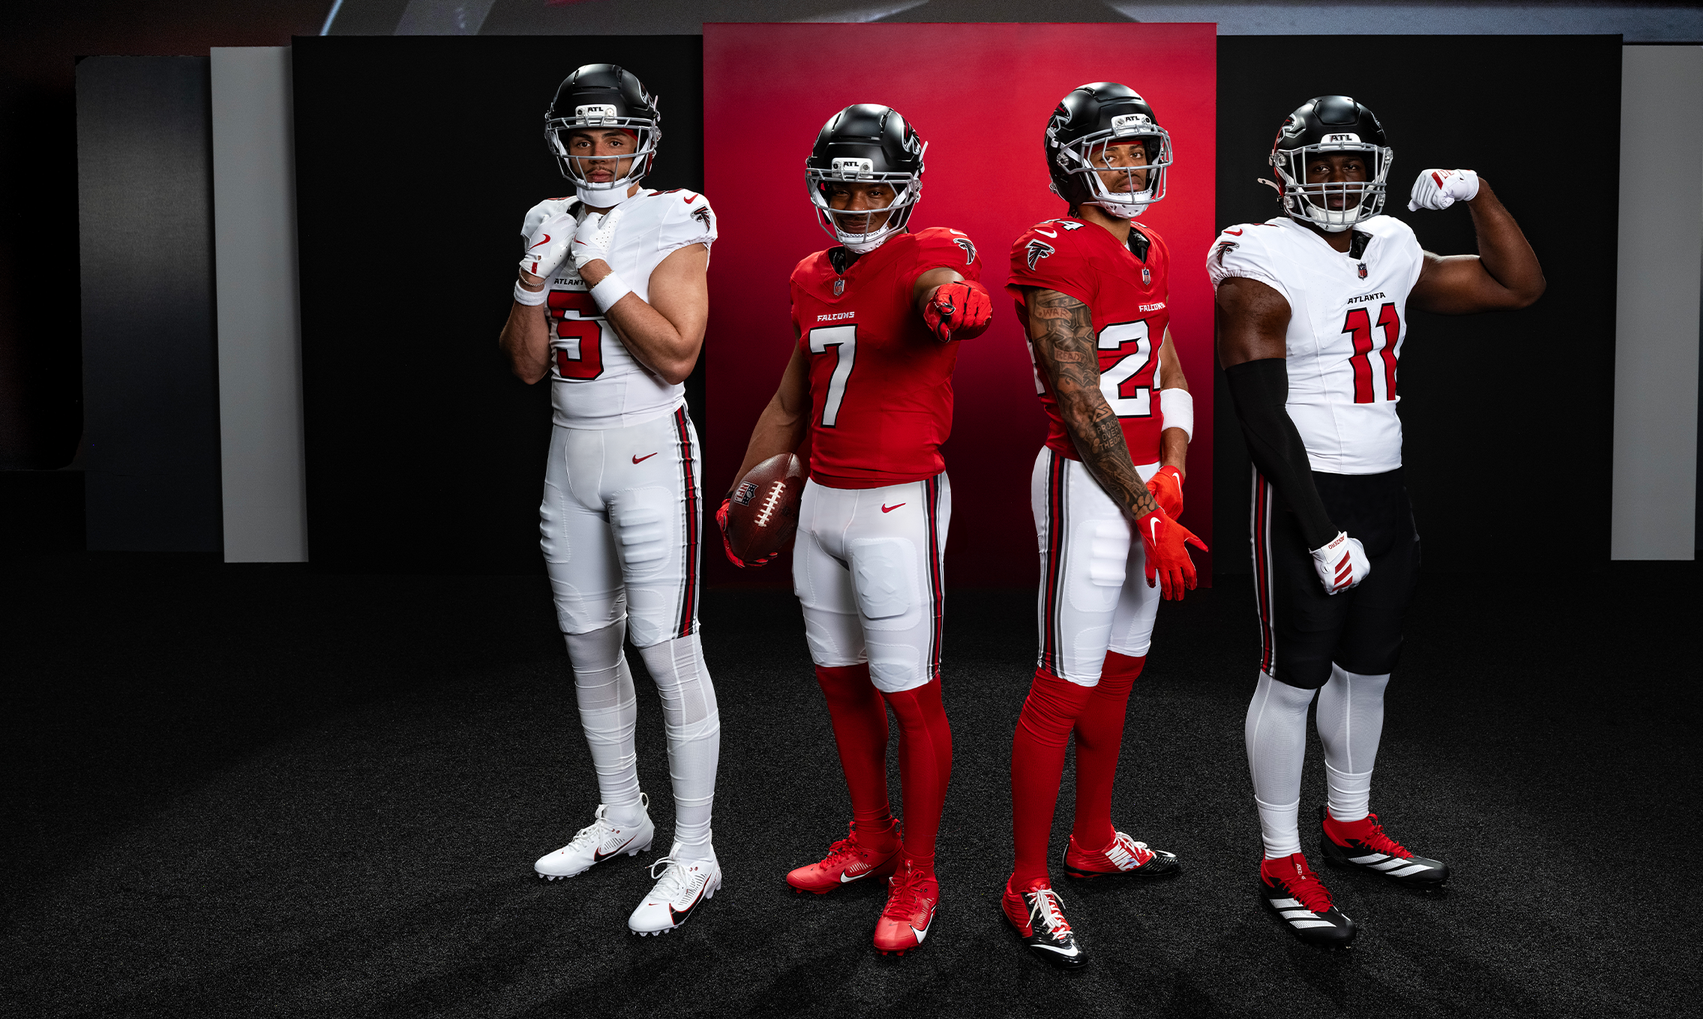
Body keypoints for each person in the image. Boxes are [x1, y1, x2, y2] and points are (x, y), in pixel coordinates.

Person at [1210, 95, 1545, 948]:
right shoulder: (1259, 260)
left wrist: (1479, 191)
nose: (1336, 181)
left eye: (1351, 166)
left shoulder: (1394, 245)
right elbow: (1261, 418)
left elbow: (1518, 285)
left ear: (1378, 173)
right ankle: (1280, 856)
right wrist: (1320, 533)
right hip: (1306, 491)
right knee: (1292, 680)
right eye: (1319, 165)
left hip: (1384, 488)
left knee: (1369, 672)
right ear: (1284, 170)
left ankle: (1348, 824)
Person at [724, 104, 990, 955]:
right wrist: (740, 495)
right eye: (843, 183)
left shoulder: (930, 251)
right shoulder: (810, 274)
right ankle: (871, 837)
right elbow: (788, 401)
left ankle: (919, 868)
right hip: (822, 506)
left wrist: (957, 303)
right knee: (840, 682)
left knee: (909, 693)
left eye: (876, 183)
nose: (859, 199)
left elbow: (939, 288)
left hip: (896, 503)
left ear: (906, 186)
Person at [498, 64, 723, 936]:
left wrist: (590, 266)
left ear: (645, 139)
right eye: (585, 138)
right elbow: (524, 364)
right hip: (567, 452)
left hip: (649, 450)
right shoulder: (541, 218)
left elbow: (675, 354)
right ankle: (624, 817)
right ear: (562, 140)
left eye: (617, 137)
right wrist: (529, 283)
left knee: (665, 650)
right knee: (590, 649)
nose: (600, 155)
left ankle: (696, 852)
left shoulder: (676, 213)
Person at [1000, 83, 1206, 969]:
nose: (1129, 167)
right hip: (1087, 488)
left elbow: (1163, 360)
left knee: (1121, 670)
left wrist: (1176, 463)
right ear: (1071, 162)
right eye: (1111, 153)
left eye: (1138, 151)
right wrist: (1141, 506)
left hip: (1138, 485)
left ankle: (1092, 839)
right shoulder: (1051, 249)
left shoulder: (1149, 245)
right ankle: (1025, 880)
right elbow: (1080, 399)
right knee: (1064, 681)